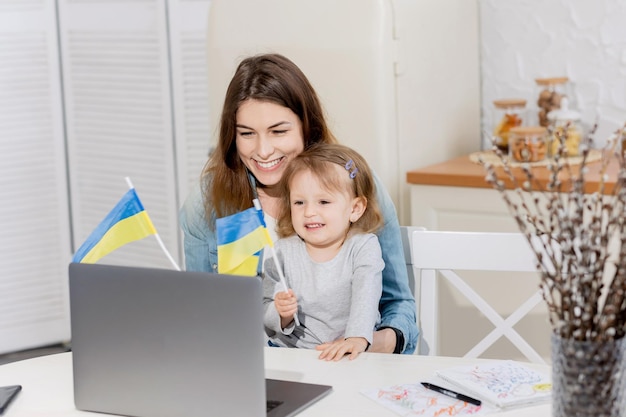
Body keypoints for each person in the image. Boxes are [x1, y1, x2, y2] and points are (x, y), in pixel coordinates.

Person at [179, 53, 418, 354]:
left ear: (307, 126)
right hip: (254, 369)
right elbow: (204, 314)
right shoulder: (207, 204)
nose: (263, 151)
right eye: (247, 134)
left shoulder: (351, 182)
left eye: (279, 131)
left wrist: (368, 344)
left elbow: (398, 305)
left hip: (349, 367)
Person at [264, 143, 384, 361]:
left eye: (324, 201)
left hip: (348, 353)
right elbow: (264, 310)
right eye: (299, 202)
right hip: (292, 355)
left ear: (355, 209)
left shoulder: (363, 247)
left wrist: (356, 338)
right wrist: (281, 313)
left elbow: (366, 293)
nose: (309, 212)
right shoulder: (282, 251)